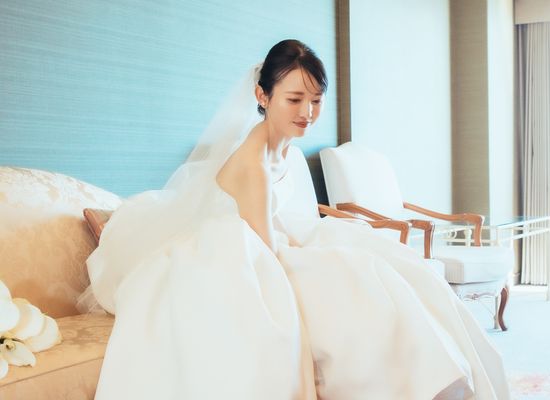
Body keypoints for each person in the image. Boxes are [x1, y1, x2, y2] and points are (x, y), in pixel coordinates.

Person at [84, 39, 511, 400]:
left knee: (397, 267)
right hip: (243, 254)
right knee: (359, 279)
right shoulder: (253, 163)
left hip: (271, 238)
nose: (307, 111)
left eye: (316, 100)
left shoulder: (284, 146)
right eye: (294, 99)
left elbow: (285, 219)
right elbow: (266, 256)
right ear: (262, 96)